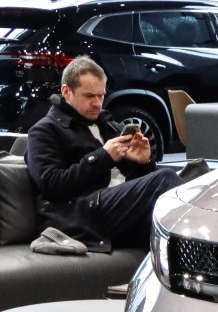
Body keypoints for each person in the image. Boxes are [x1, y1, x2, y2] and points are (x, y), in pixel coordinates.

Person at [26, 56, 183, 251]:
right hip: (82, 215)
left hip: (116, 212)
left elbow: (133, 185)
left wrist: (142, 163)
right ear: (66, 91)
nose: (97, 103)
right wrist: (102, 157)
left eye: (101, 95)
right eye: (89, 96)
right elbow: (52, 185)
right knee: (165, 179)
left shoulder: (110, 126)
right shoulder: (44, 131)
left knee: (194, 183)